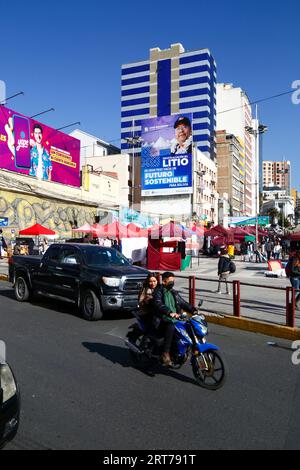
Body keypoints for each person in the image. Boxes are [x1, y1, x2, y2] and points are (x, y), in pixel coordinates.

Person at [153, 271, 197, 366]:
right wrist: (169, 312)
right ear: (164, 282)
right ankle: (165, 353)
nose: (172, 283)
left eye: (173, 281)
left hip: (174, 318)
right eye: (170, 281)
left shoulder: (173, 292)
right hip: (162, 319)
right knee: (171, 326)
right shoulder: (158, 291)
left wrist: (193, 310)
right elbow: (158, 304)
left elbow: (183, 303)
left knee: (186, 326)